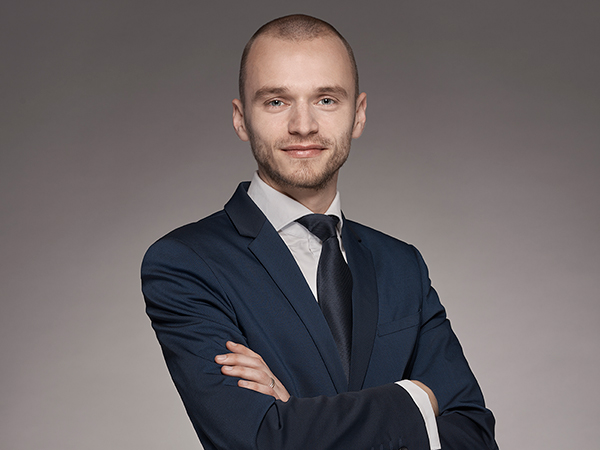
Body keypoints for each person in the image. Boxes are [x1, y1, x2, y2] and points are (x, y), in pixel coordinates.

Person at [141, 14, 498, 450]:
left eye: (326, 99)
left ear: (358, 115)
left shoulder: (403, 265)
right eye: (276, 101)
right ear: (240, 119)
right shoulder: (186, 263)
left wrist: (295, 416)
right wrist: (417, 398)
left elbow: (475, 436)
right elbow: (260, 440)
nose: (303, 125)